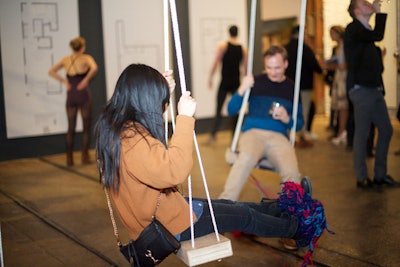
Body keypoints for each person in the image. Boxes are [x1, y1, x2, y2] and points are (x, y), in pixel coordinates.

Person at [95, 64, 324, 263]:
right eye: (157, 99)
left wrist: (164, 93)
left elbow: (150, 149)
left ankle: (285, 207)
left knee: (234, 207)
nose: (161, 104)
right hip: (170, 225)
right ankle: (298, 229)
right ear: (144, 99)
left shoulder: (119, 129)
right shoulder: (132, 141)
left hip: (168, 209)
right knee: (244, 217)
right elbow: (175, 171)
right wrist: (185, 118)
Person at [344, 0, 398, 188]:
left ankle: (380, 175)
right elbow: (377, 33)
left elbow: (376, 66)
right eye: (365, 3)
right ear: (356, 11)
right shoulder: (354, 29)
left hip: (374, 89)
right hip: (362, 90)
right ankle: (361, 177)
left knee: (386, 129)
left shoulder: (366, 36)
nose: (370, 4)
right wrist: (379, 13)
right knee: (363, 134)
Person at [48, 37, 98, 166]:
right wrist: (85, 81)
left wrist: (65, 81)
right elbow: (94, 68)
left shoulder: (66, 59)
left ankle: (69, 159)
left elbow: (51, 71)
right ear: (82, 47)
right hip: (82, 93)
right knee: (86, 128)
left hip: (71, 94)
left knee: (71, 128)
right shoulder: (86, 58)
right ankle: (84, 157)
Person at [207, 25, 248, 143]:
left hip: (225, 82)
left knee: (219, 109)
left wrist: (210, 77)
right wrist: (245, 82)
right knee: (234, 110)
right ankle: (234, 137)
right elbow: (245, 67)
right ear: (237, 33)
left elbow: (216, 62)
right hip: (236, 83)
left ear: (229, 33)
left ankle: (213, 135)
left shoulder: (223, 46)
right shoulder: (243, 49)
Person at [285, 25, 323, 146]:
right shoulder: (305, 48)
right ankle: (302, 134)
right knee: (304, 109)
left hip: (289, 84)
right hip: (304, 84)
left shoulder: (285, 48)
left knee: (290, 108)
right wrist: (321, 71)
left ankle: (290, 133)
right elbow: (314, 64)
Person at [326, 25, 349, 146]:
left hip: (343, 78)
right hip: (339, 77)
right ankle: (340, 131)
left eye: (332, 33)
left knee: (343, 106)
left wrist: (328, 65)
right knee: (340, 107)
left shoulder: (344, 46)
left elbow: (343, 65)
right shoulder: (339, 47)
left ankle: (342, 132)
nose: (331, 36)